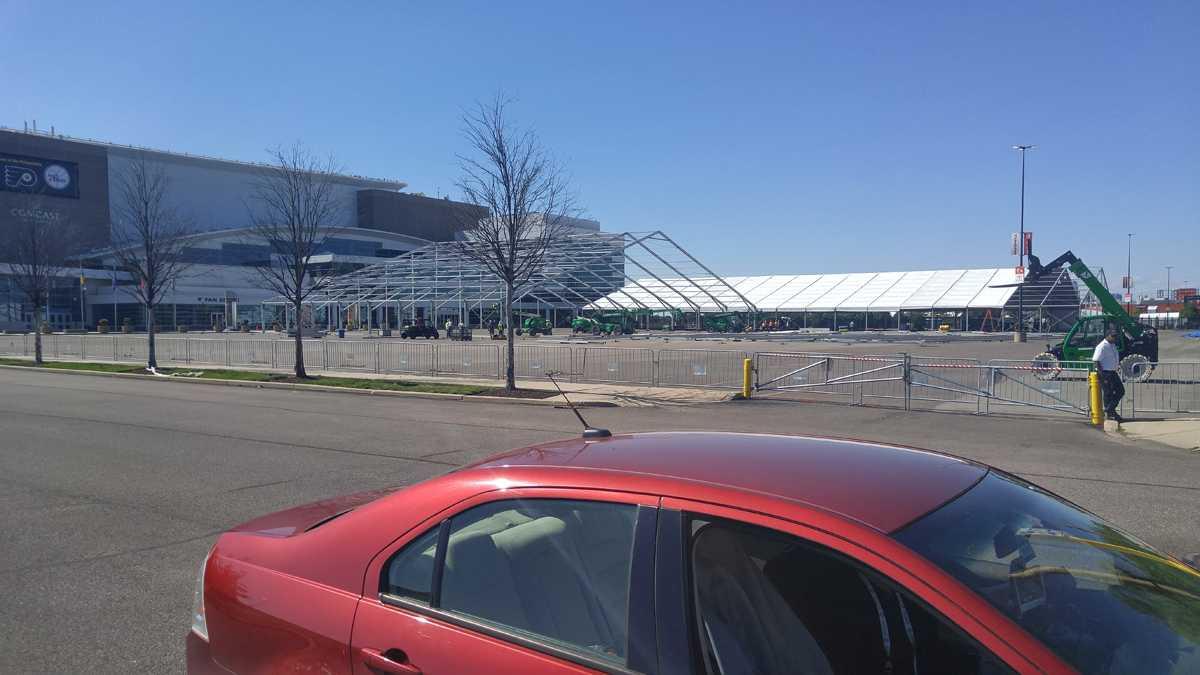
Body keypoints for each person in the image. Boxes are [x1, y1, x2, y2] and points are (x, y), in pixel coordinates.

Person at [1092, 328, 1124, 422]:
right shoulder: (1102, 346)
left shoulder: (1112, 345)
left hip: (1113, 372)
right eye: (1113, 336)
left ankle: (1110, 409)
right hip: (1105, 373)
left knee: (1120, 391)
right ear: (1107, 335)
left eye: (1115, 336)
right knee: (1108, 393)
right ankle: (1110, 413)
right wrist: (1102, 375)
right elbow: (1096, 361)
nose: (1115, 338)